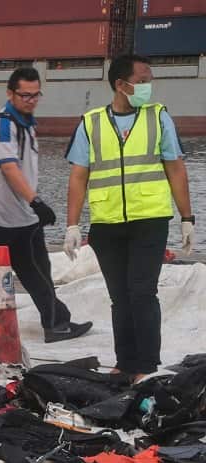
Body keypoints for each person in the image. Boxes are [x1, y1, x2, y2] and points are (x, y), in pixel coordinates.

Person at [64, 53, 194, 381]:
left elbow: (175, 169)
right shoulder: (91, 122)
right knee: (119, 297)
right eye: (143, 81)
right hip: (107, 224)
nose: (149, 87)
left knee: (142, 292)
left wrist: (187, 218)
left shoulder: (158, 117)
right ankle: (124, 363)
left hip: (149, 221)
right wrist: (71, 224)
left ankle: (147, 366)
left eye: (150, 80)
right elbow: (79, 176)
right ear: (121, 85)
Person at [0, 67, 92, 343]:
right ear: (10, 93)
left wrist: (34, 206)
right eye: (24, 95)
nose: (31, 100)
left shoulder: (26, 124)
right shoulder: (3, 126)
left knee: (30, 270)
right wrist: (37, 201)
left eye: (35, 95)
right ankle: (55, 324)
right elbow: (9, 169)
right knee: (26, 272)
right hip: (4, 218)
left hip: (25, 217)